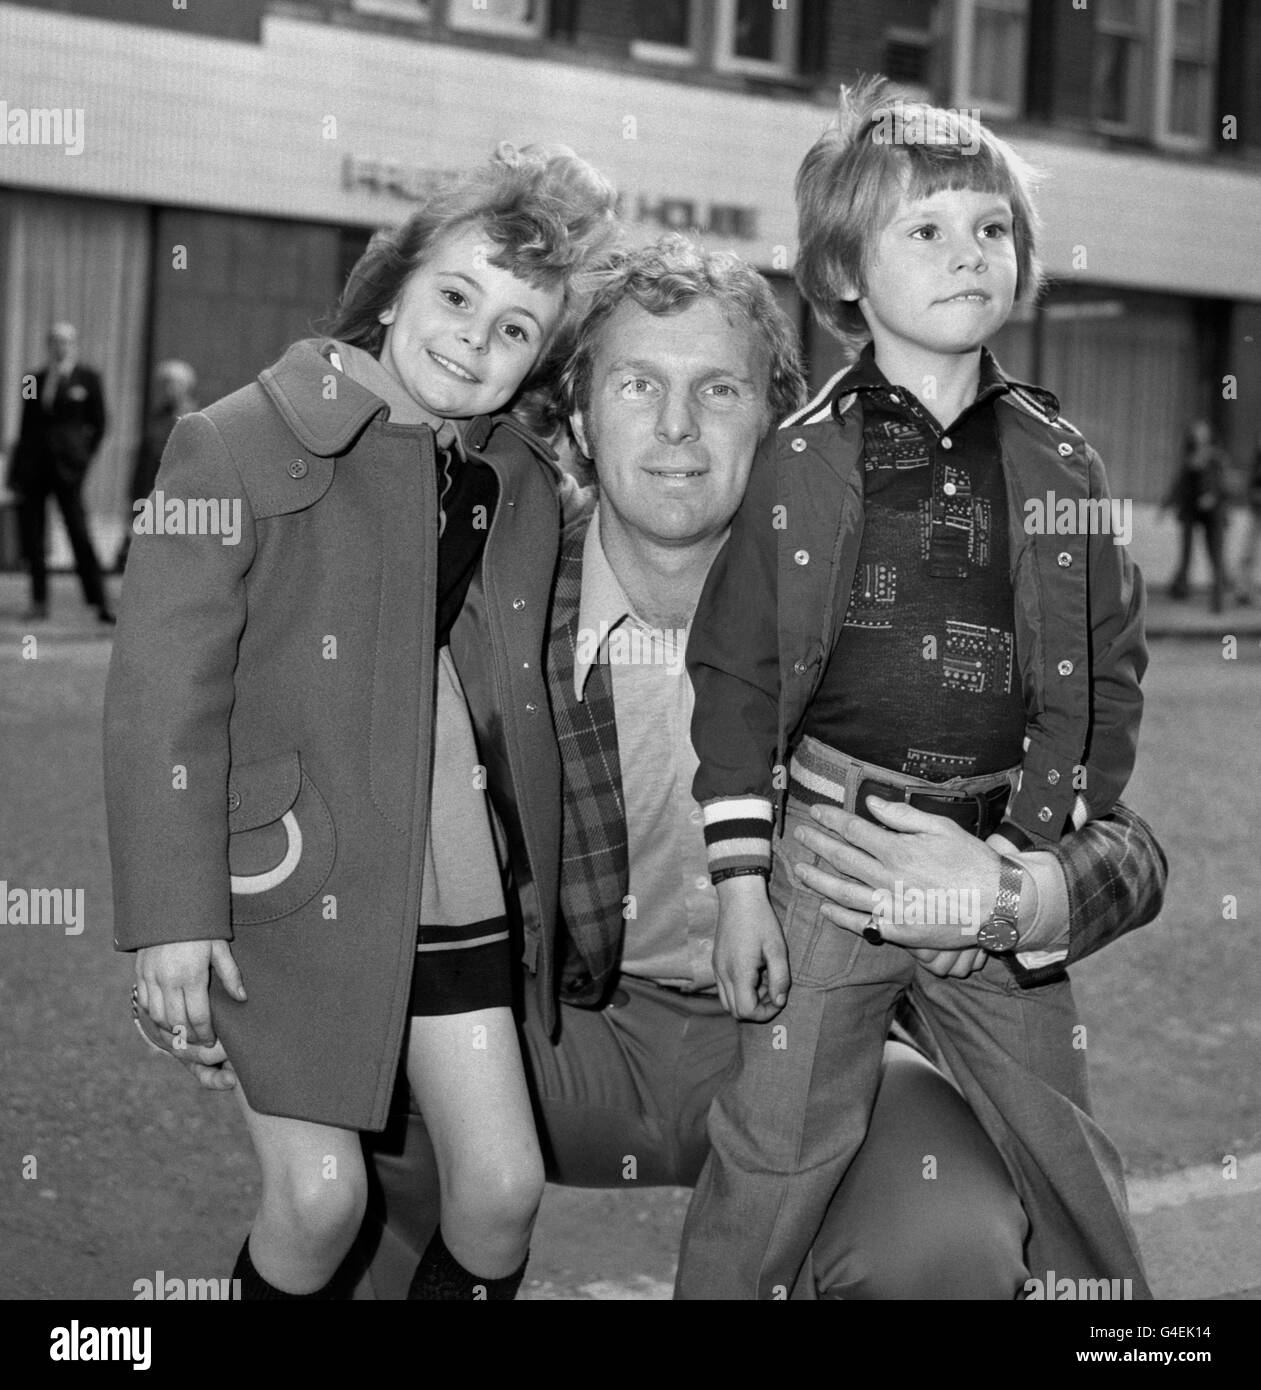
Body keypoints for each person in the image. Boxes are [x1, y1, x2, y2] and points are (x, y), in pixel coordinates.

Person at [137, 235, 1169, 1300]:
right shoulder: (481, 597)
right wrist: (221, 958)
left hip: (811, 1041)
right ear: (578, 415)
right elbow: (272, 734)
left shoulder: (894, 596)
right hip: (556, 1038)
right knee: (366, 1101)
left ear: (778, 420)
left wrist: (1014, 893)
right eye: (637, 384)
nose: (676, 428)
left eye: (719, 389)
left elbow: (1128, 841)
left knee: (943, 1251)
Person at [105, 144, 620, 1300]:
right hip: (287, 887)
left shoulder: (519, 483)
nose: (472, 342)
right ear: (393, 285)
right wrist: (169, 920)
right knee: (321, 1198)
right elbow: (160, 699)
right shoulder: (233, 441)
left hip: (457, 891)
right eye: (455, 297)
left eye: (515, 330)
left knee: (499, 1191)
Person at [677, 80, 1153, 1298]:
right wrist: (739, 885)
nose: (969, 253)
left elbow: (1104, 676)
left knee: (1067, 1152)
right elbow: (730, 679)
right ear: (842, 272)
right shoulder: (799, 458)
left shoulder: (1060, 456)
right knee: (774, 1148)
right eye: (925, 230)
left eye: (990, 229)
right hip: (829, 856)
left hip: (991, 841)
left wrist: (1007, 877)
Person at [7, 321, 113, 622]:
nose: (60, 346)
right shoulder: (32, 379)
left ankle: (99, 602)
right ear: (48, 345)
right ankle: (38, 601)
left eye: (66, 341)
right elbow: (25, 427)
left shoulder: (89, 378)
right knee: (34, 536)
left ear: (74, 344)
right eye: (55, 341)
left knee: (79, 532)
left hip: (68, 471)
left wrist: (82, 460)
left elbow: (100, 424)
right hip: (34, 471)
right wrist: (15, 474)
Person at [115, 359, 198, 572]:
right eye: (165, 384)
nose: (169, 389)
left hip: (182, 493)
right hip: (153, 488)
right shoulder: (156, 417)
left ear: (186, 385)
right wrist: (135, 492)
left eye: (174, 383)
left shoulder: (196, 417)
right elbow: (144, 456)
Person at [1164, 418, 1230, 612]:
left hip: (1214, 513)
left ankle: (1218, 598)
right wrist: (1166, 504)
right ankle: (1180, 587)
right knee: (1186, 552)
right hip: (1191, 510)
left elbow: (1222, 483)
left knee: (1215, 555)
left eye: (1203, 431)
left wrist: (1212, 496)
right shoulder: (1188, 456)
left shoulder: (1216, 457)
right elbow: (1179, 484)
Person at [1233, 434, 1261, 605]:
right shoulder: (1257, 463)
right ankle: (1243, 589)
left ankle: (1245, 589)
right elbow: (1251, 487)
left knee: (1250, 552)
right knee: (1249, 552)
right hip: (1256, 510)